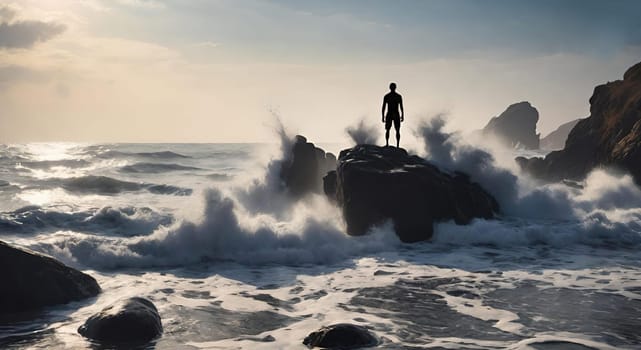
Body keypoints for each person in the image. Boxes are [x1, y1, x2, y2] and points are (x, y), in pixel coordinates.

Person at [381, 82, 404, 147]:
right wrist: (383, 116)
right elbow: (383, 107)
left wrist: (402, 115)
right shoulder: (389, 96)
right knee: (389, 129)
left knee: (396, 130)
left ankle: (396, 145)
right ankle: (389, 143)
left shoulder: (396, 96)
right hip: (392, 113)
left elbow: (401, 106)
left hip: (394, 113)